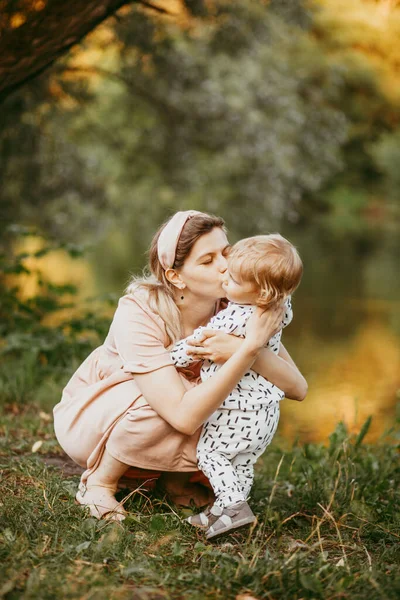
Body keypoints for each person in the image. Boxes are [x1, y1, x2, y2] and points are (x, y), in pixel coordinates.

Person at [53, 211, 307, 522]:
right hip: (100, 418)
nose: (225, 266)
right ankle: (99, 483)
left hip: (169, 417)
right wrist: (248, 350)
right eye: (207, 260)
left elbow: (297, 388)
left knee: (245, 406)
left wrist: (248, 347)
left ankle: (173, 483)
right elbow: (183, 416)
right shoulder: (139, 311)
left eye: (226, 253)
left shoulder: (237, 307)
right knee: (174, 401)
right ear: (175, 276)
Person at [170, 234, 303, 539]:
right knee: (241, 461)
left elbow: (197, 344)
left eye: (232, 278)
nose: (224, 280)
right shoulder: (279, 308)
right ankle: (222, 511)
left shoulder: (237, 316)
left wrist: (169, 356)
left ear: (261, 292)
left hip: (237, 408)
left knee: (210, 455)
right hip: (266, 412)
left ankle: (233, 506)